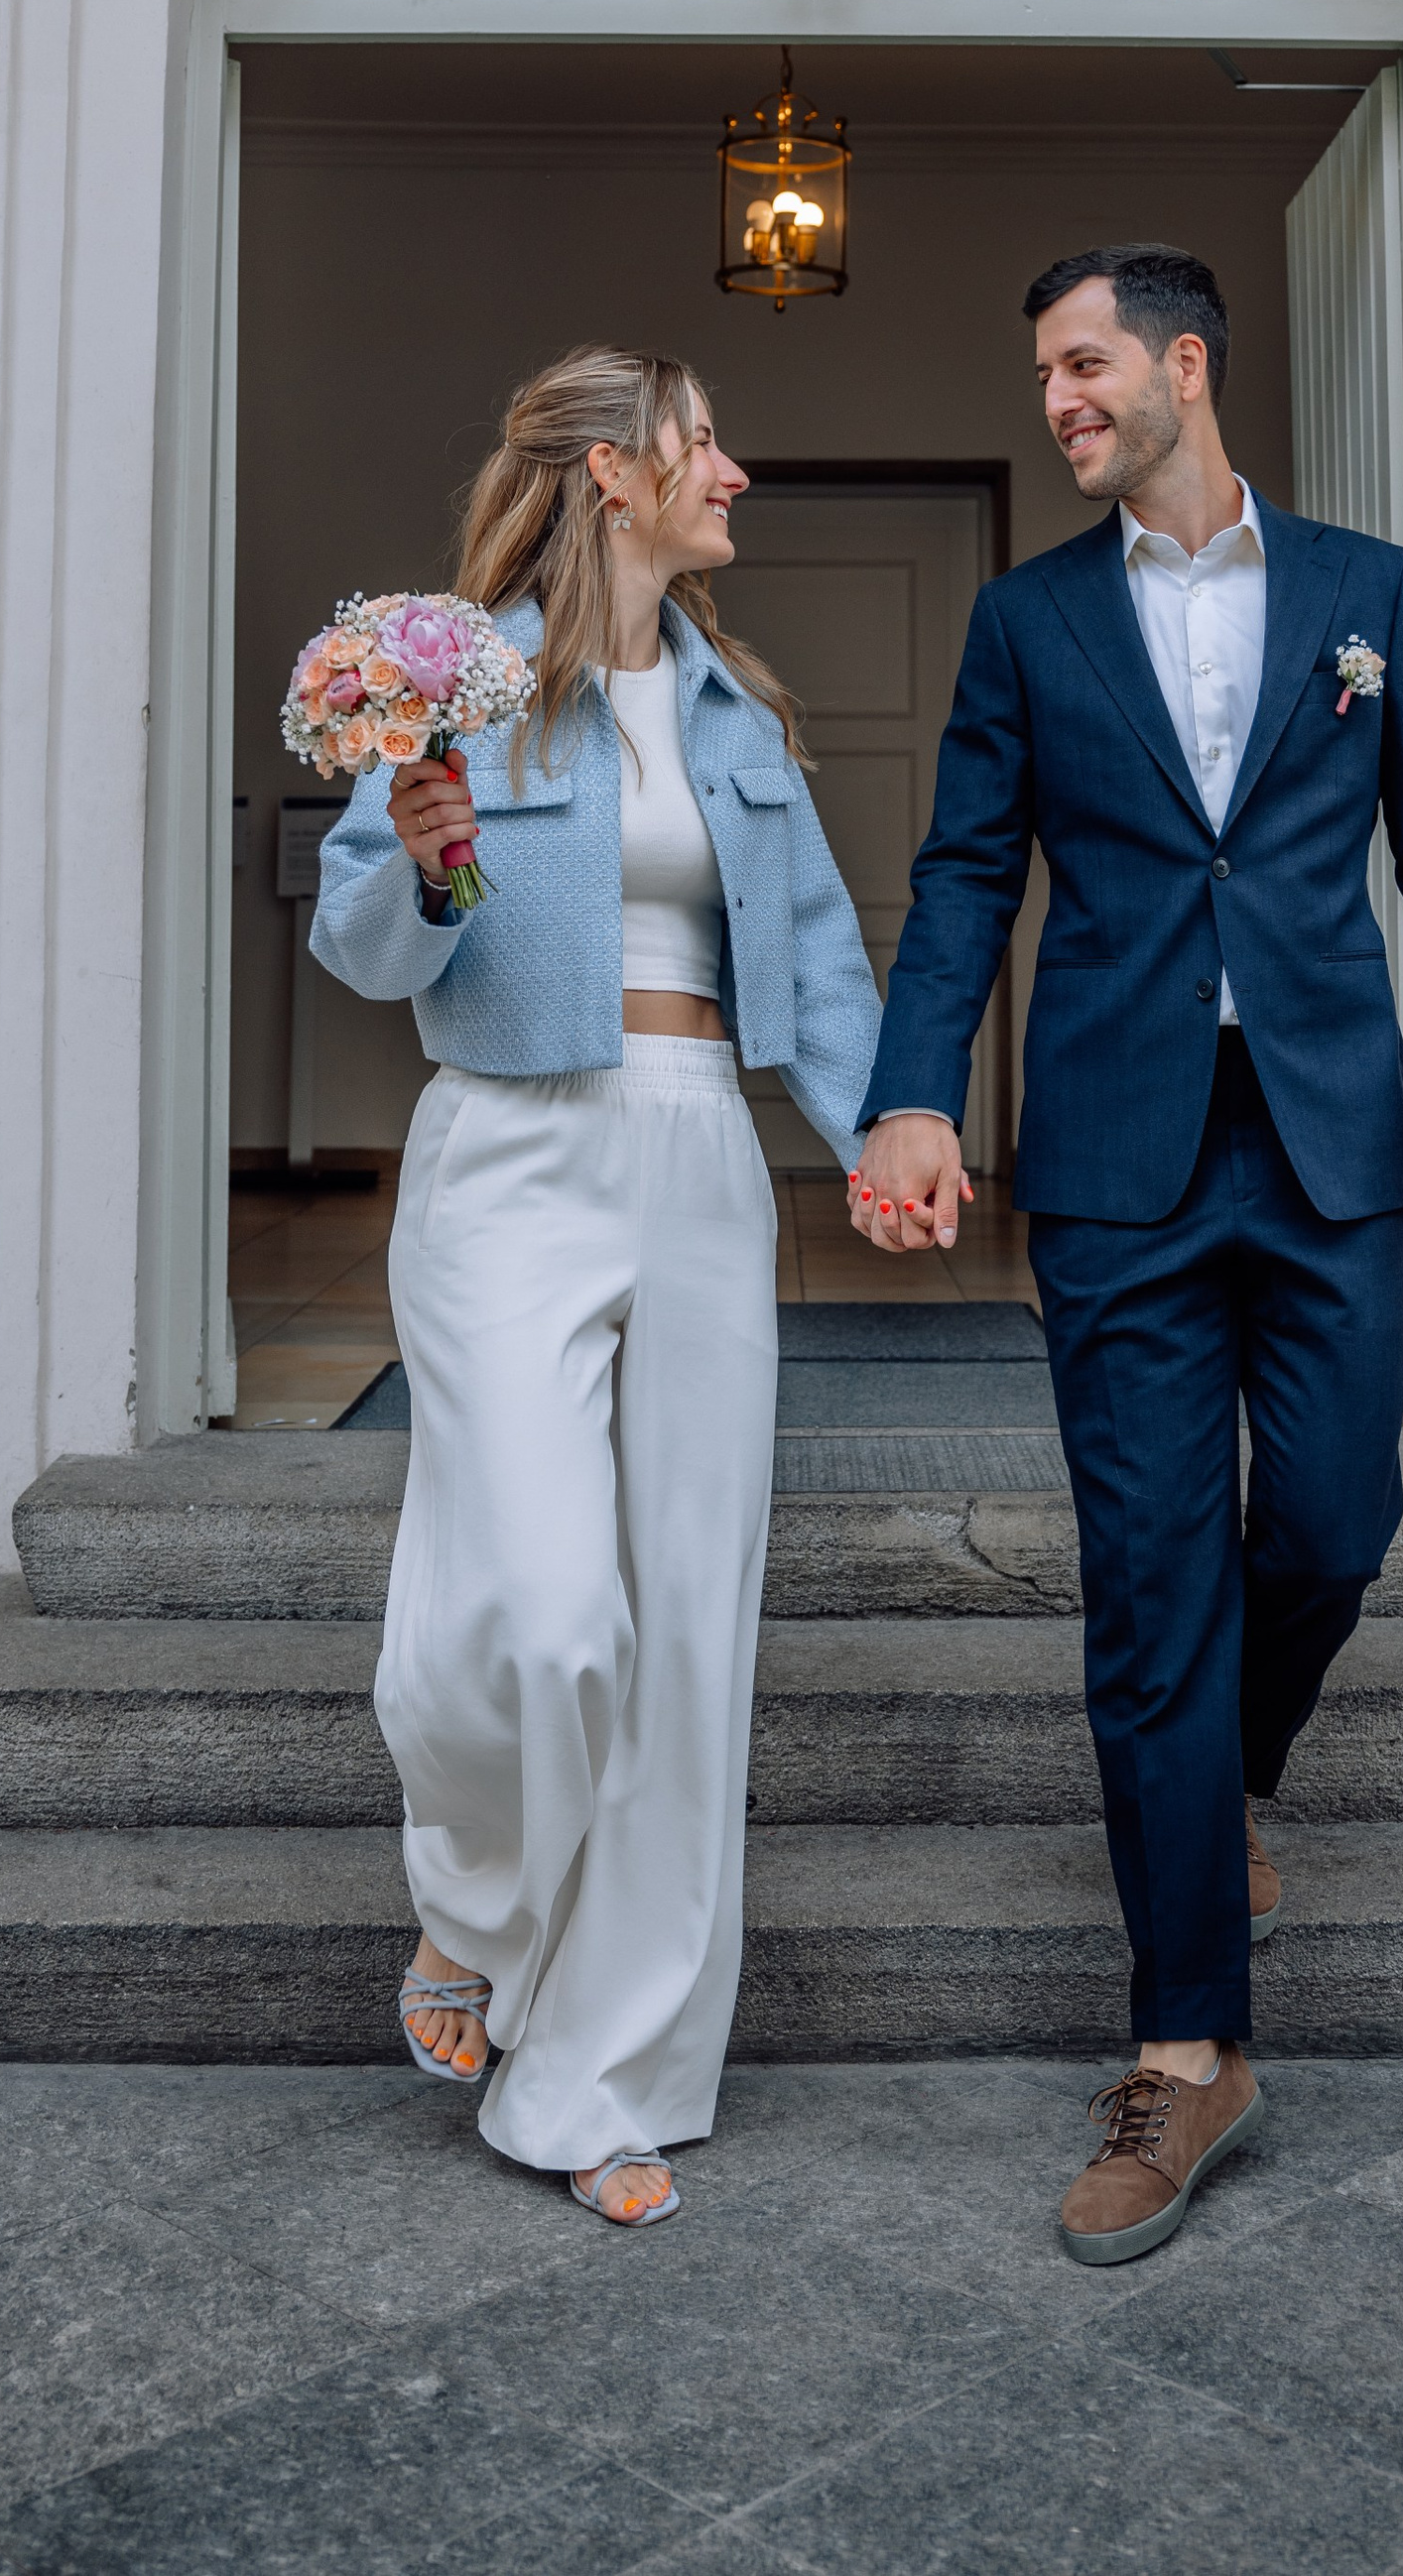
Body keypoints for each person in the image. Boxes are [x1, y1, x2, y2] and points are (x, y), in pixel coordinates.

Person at [852, 243, 1403, 2265]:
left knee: (1329, 1520)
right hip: (1116, 1154)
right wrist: (913, 1090)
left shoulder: (1364, 591)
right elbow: (968, 863)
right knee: (1152, 1572)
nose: (1058, 401)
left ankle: (1214, 1783)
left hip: (1328, 1134)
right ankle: (1184, 2045)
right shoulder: (1023, 619)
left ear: (1180, 362)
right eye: (1043, 373)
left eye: (1082, 365)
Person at [311, 346, 880, 2228]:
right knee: (547, 1608)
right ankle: (473, 1911)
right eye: (704, 438)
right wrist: (426, 852)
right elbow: (366, 945)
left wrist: (892, 1128)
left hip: (703, 1146)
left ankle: (596, 2082)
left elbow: (821, 949)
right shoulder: (453, 678)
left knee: (689, 1641)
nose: (735, 467)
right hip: (511, 1149)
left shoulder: (737, 712)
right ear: (613, 473)